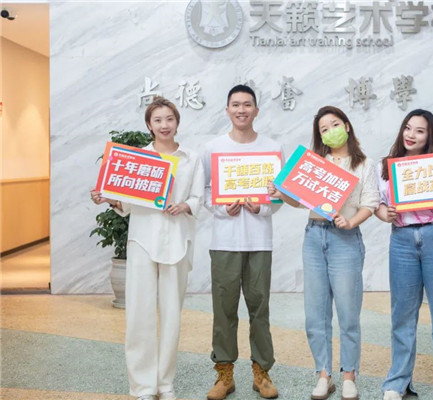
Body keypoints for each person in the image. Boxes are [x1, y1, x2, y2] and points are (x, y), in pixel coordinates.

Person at [90, 97, 205, 400]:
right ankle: (142, 386)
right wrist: (107, 197)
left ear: (177, 122)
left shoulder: (191, 158)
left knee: (171, 316)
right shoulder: (139, 159)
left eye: (169, 119)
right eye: (158, 120)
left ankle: (165, 384)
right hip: (143, 240)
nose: (164, 125)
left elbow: (198, 198)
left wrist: (185, 206)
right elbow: (125, 204)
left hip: (177, 241)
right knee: (139, 315)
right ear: (149, 126)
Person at [268, 106, 379, 400]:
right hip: (314, 237)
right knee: (316, 312)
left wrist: (350, 222)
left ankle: (349, 375)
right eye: (323, 129)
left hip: (346, 239)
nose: (330, 132)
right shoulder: (315, 163)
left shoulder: (364, 164)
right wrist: (281, 191)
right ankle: (323, 374)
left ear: (347, 126)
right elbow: (298, 200)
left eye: (335, 124)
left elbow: (369, 202)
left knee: (348, 312)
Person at [375, 109, 433, 400]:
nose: (411, 135)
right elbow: (377, 204)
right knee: (402, 314)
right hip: (402, 240)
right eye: (407, 127)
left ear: (430, 136)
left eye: (419, 130)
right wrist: (385, 213)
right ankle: (398, 382)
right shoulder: (385, 166)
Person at [202, 85, 282, 400]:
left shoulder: (273, 148)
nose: (241, 110)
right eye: (235, 105)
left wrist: (262, 207)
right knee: (223, 309)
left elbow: (280, 195)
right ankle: (224, 374)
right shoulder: (213, 148)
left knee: (260, 308)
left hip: (260, 240)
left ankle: (262, 372)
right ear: (227, 110)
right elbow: (205, 191)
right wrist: (224, 208)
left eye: (247, 104)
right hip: (224, 240)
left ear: (256, 110)